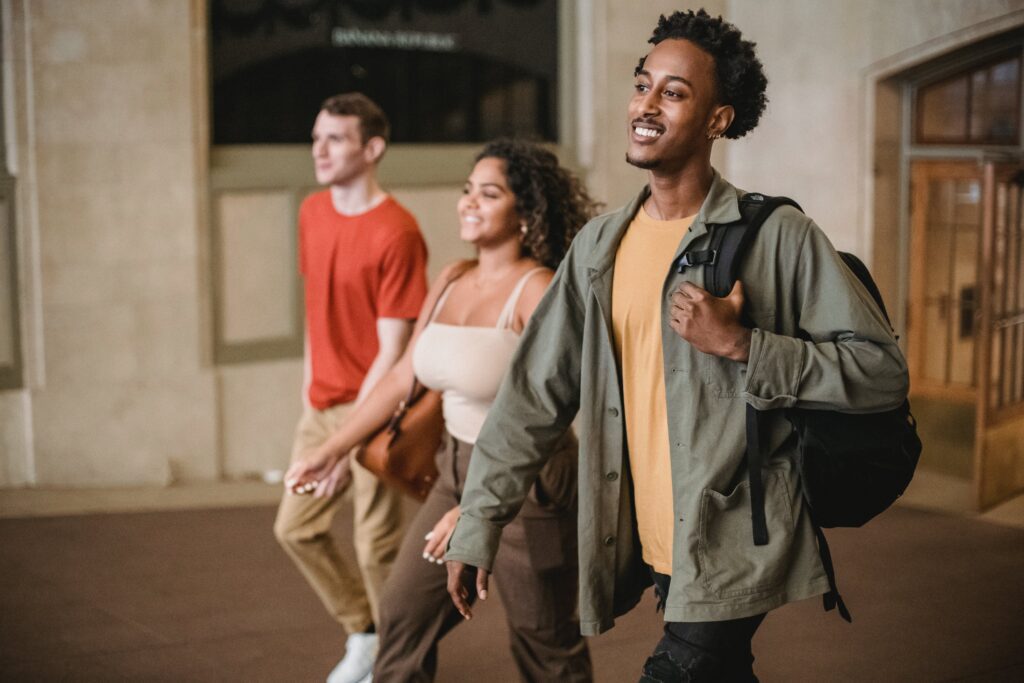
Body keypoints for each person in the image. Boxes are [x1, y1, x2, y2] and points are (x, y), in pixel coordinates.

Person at [444, 9, 910, 683]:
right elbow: (532, 397)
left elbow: (881, 371)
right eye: (643, 84)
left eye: (674, 92)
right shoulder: (600, 247)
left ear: (719, 119)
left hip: (736, 534)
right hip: (653, 537)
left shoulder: (776, 235)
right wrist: (478, 524)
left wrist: (746, 344)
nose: (647, 104)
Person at [286, 139, 598, 682]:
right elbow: (404, 373)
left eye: (490, 193)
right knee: (402, 615)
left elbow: (555, 408)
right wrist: (331, 449)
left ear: (526, 213)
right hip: (454, 473)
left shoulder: (537, 292)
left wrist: (486, 498)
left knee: (544, 645)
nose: (469, 202)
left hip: (529, 482)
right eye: (467, 190)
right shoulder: (451, 278)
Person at [273, 92, 429, 683]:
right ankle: (365, 632)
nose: (320, 148)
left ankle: (400, 662)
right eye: (317, 137)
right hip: (322, 404)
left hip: (377, 408)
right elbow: (318, 314)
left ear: (372, 149)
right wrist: (310, 394)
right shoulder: (312, 212)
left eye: (335, 138)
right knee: (295, 528)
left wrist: (345, 440)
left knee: (377, 548)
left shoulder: (398, 231)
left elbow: (392, 353)